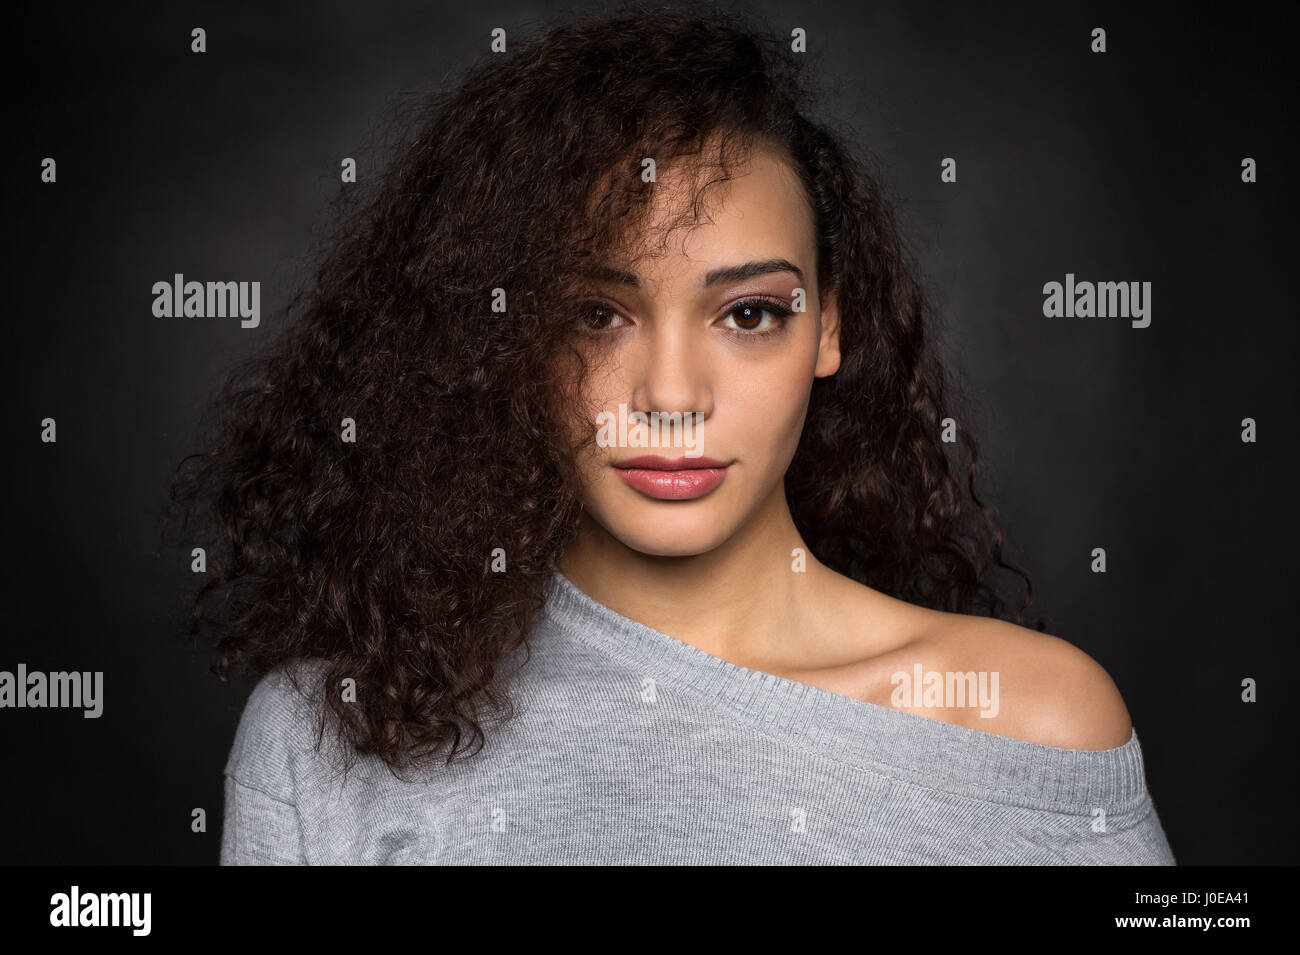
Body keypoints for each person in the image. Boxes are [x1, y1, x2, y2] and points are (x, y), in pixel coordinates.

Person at [172, 8, 1175, 864]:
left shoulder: (1033, 722)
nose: (669, 394)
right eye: (595, 314)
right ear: (506, 335)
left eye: (747, 314)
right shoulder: (323, 734)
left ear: (830, 326)